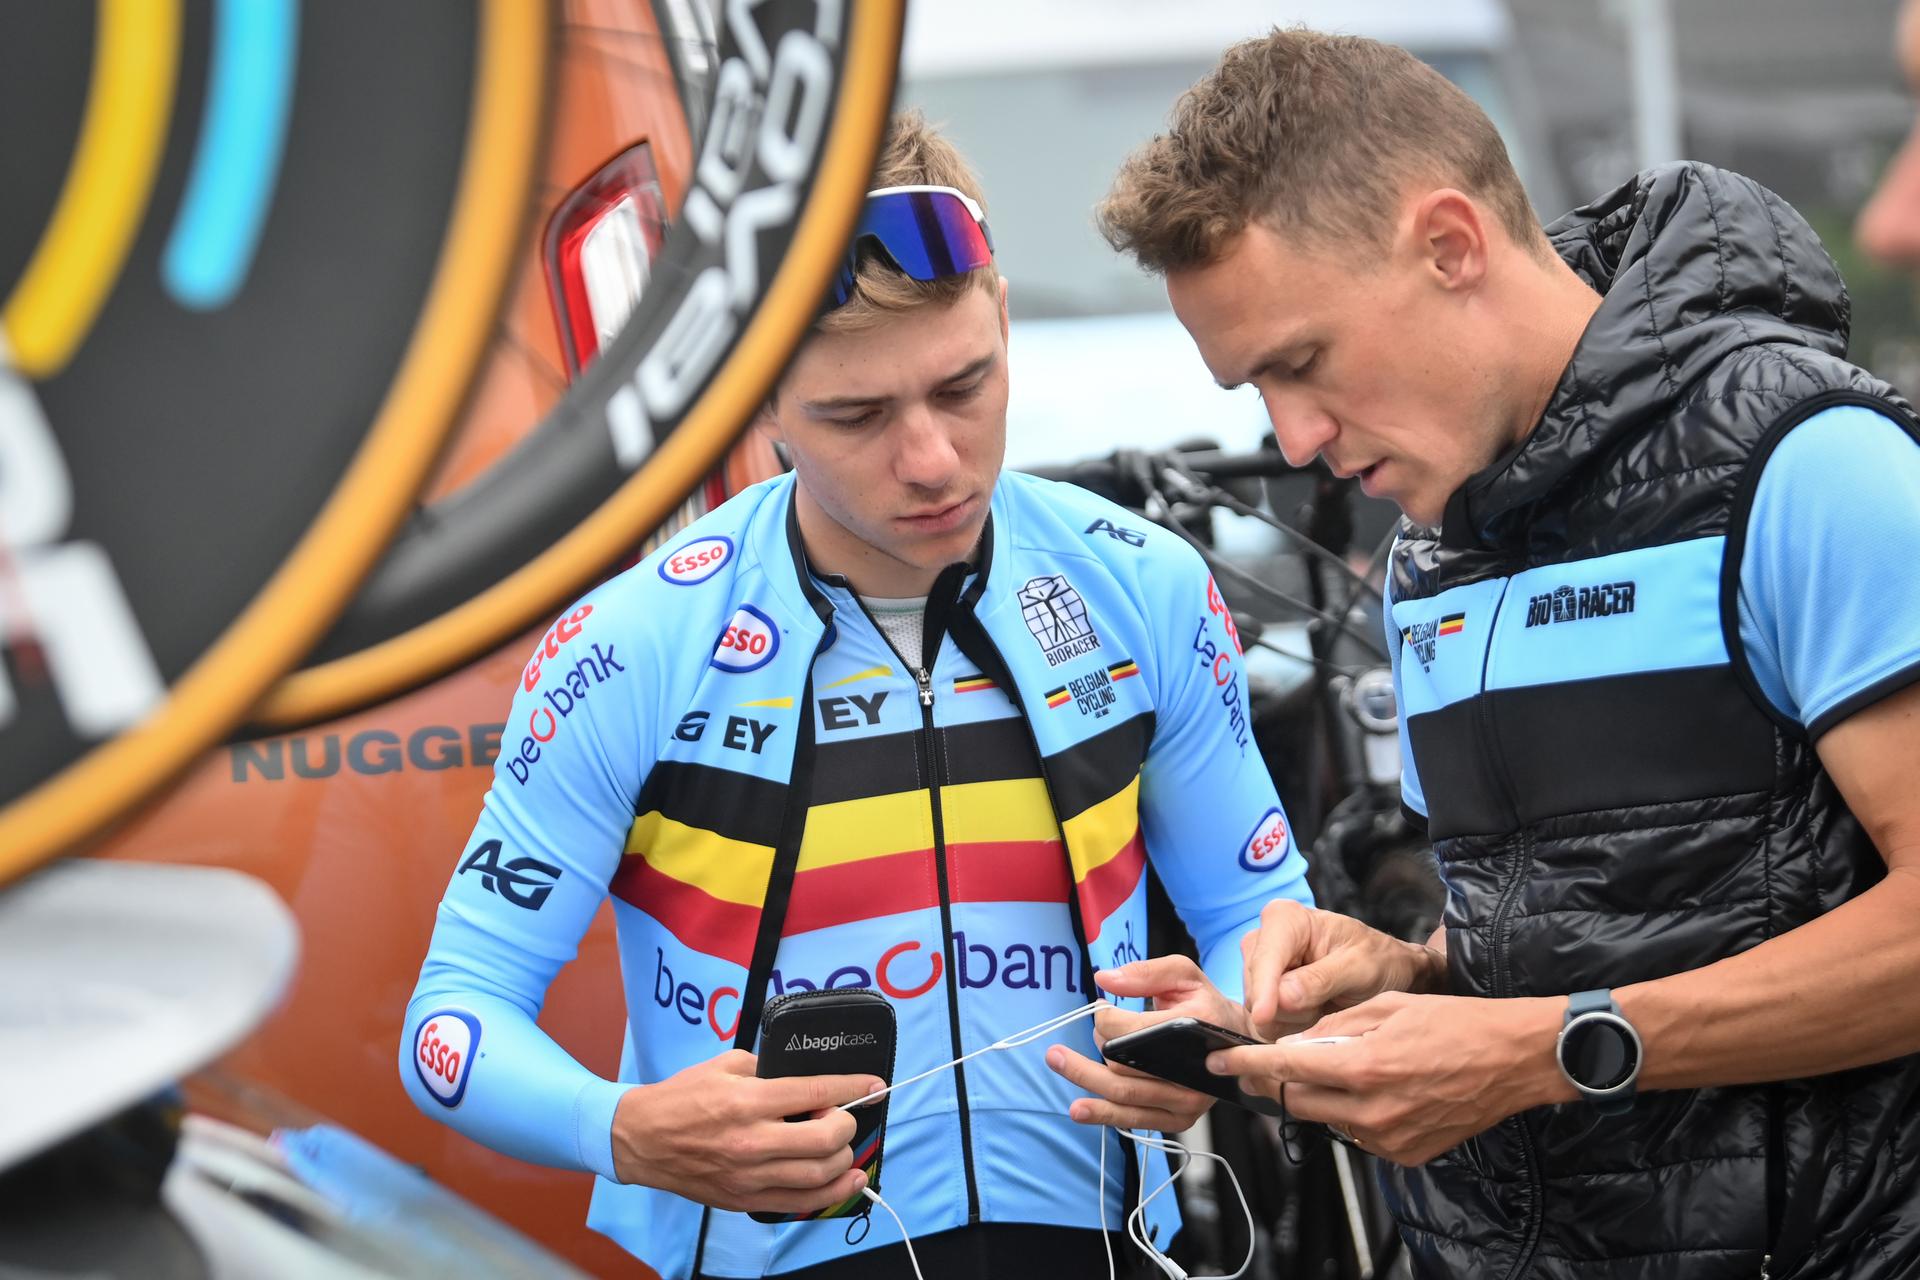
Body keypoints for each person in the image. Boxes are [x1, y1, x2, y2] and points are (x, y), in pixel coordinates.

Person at [398, 111, 1311, 1280]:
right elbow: (453, 1021)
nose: (931, 459)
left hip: (1100, 1245)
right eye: (856, 415)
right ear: (754, 396)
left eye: (964, 385)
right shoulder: (636, 645)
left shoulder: (1139, 584)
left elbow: (1259, 911)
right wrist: (622, 1129)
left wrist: (1219, 1025)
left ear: (1003, 320)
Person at [1091, 27, 1920, 1280]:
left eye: (1301, 363)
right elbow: (1582, 934)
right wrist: (1409, 978)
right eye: (1253, 392)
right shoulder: (1432, 547)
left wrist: (1543, 1049)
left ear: (1450, 244)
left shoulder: (1811, 463)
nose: (1295, 438)